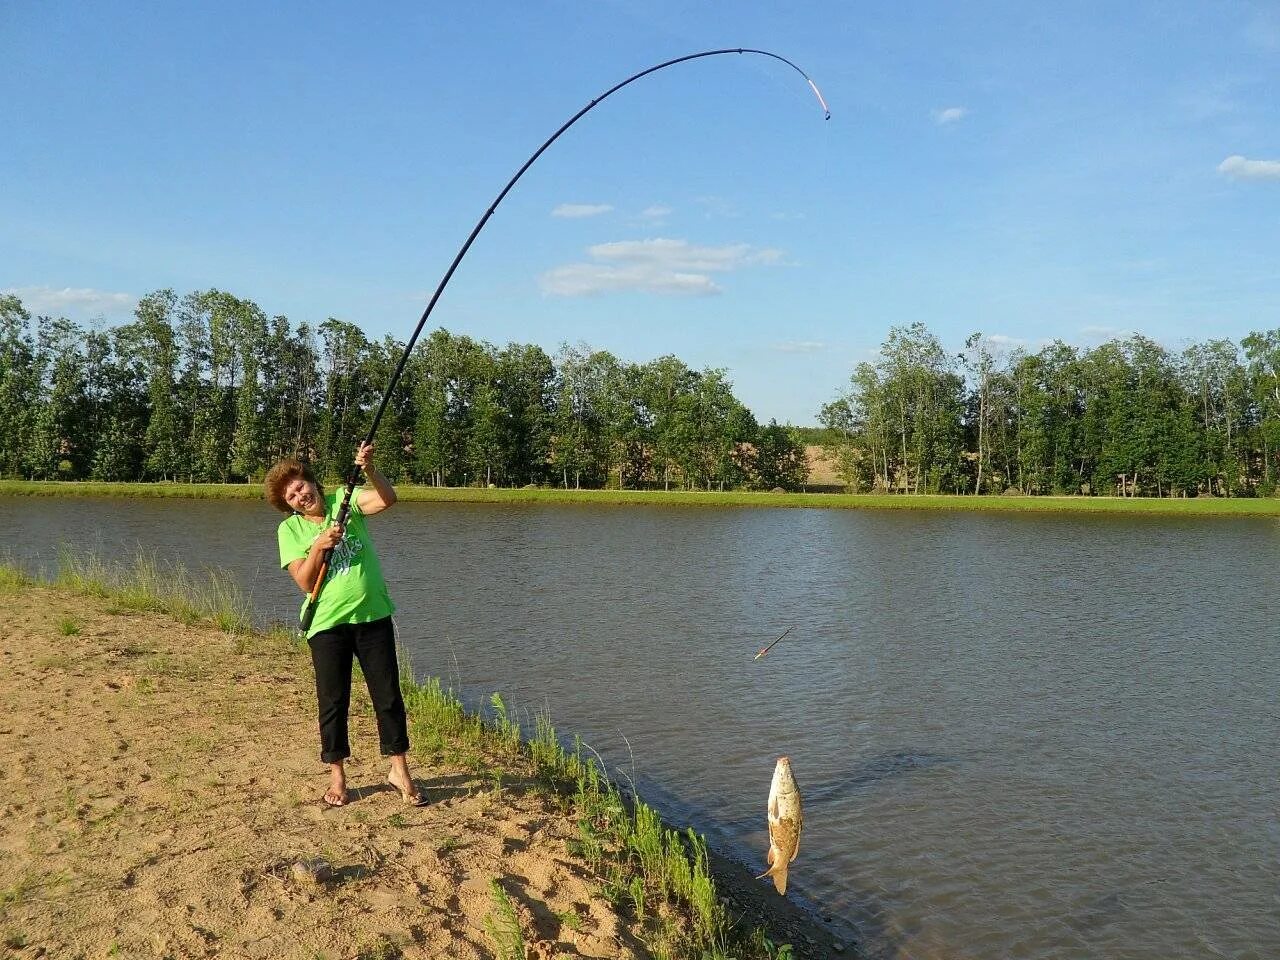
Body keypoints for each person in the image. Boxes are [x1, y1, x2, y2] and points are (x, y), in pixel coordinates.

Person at [263, 442, 425, 808]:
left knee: (388, 696)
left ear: (312, 482)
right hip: (327, 625)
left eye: (300, 486)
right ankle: (338, 775)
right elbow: (305, 582)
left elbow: (387, 499)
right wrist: (320, 544)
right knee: (333, 701)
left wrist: (368, 469)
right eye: (290, 496)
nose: (299, 495)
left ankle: (399, 769)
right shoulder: (289, 532)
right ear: (287, 505)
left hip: (373, 615)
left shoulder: (345, 501)